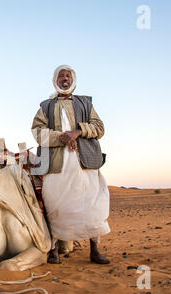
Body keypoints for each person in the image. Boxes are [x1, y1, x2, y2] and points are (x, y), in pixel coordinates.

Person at [31, 65, 111, 264]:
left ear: (73, 80)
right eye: (61, 75)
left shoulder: (85, 103)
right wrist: (62, 137)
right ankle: (54, 250)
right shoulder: (46, 106)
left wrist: (77, 132)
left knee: (91, 203)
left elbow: (99, 128)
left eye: (68, 75)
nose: (64, 78)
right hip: (57, 163)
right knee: (55, 203)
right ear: (55, 80)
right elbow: (37, 131)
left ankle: (94, 249)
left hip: (84, 161)